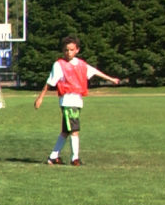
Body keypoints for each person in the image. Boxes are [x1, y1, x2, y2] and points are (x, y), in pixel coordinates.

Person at [33, 35, 120, 166]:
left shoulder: (81, 64)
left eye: (72, 50)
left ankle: (53, 157)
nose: (69, 53)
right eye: (66, 50)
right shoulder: (59, 65)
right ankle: (75, 159)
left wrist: (111, 79)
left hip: (77, 101)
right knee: (74, 130)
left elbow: (95, 71)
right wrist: (40, 97)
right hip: (68, 102)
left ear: (77, 50)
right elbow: (50, 82)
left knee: (65, 131)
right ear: (63, 51)